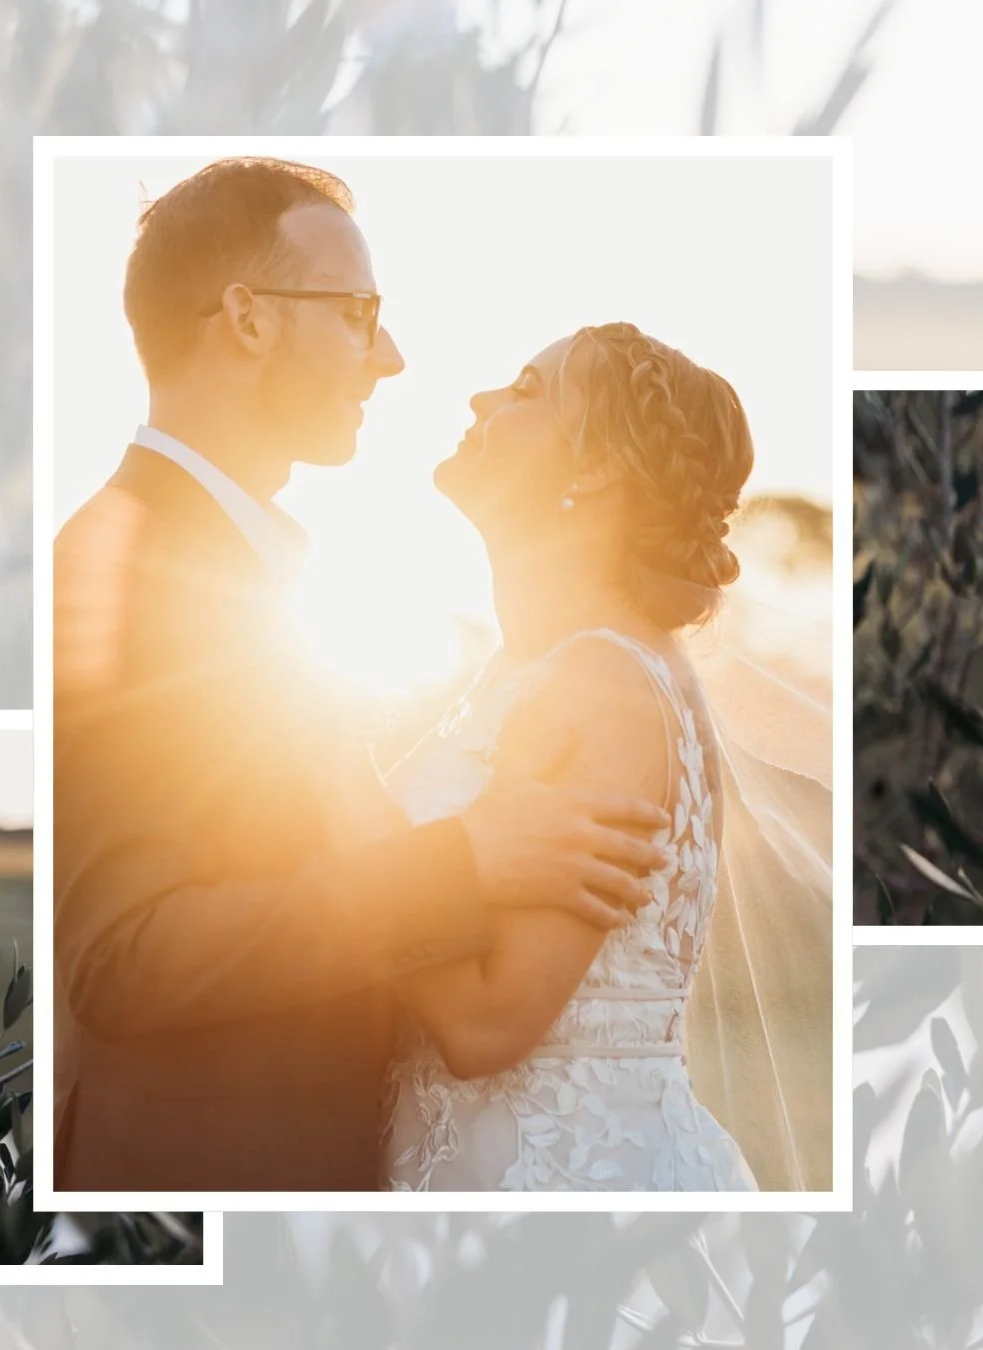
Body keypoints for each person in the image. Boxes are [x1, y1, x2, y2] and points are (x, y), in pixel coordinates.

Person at [52, 158, 669, 1192]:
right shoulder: (131, 565)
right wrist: (460, 863)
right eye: (357, 313)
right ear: (246, 319)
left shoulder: (249, 566)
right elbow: (123, 961)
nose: (389, 356)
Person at [334, 323, 770, 1190]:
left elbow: (489, 1026)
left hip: (563, 1188)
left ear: (597, 468)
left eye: (526, 391)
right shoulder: (533, 671)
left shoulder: (600, 682)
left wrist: (339, 782)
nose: (479, 401)